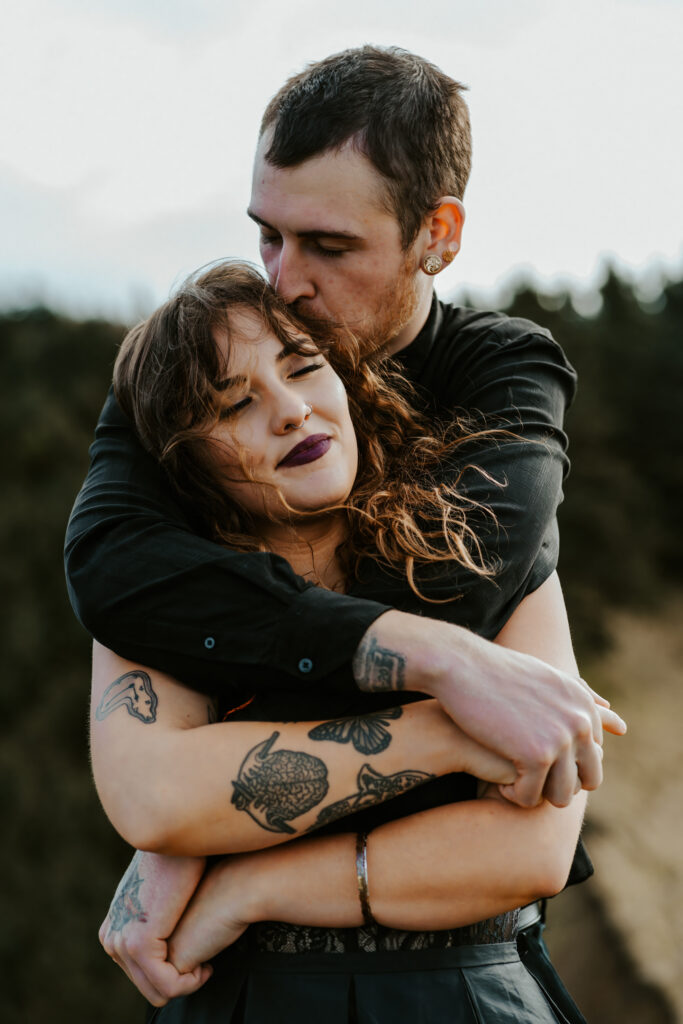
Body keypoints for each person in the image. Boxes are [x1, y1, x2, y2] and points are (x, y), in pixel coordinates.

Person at [65, 44, 620, 1011]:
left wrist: (225, 853)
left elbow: (461, 576)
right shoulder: (177, 389)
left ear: (436, 235)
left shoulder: (497, 378)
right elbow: (116, 572)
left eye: (326, 246)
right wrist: (449, 687)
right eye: (267, 237)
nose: (283, 282)